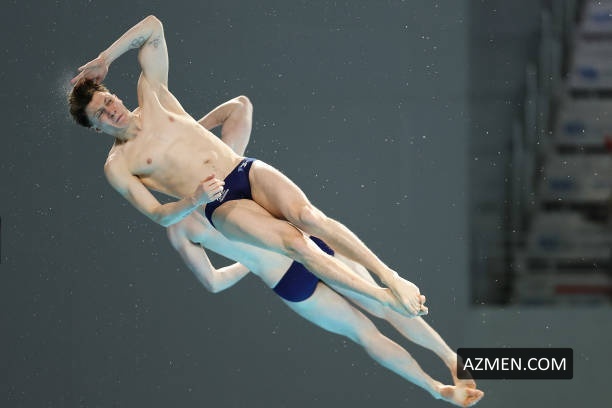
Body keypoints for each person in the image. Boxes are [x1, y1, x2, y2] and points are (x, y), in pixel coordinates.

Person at [68, 15, 424, 319]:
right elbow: (159, 215)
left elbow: (153, 26)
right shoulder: (118, 165)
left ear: (114, 95)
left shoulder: (152, 93)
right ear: (96, 128)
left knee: (309, 217)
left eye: (108, 100)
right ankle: (383, 298)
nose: (111, 110)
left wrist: (105, 57)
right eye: (101, 114)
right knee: (296, 245)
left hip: (242, 169)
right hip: (220, 205)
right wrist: (194, 199)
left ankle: (391, 278)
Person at [163, 98, 483, 406]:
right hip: (306, 250)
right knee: (383, 308)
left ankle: (437, 388)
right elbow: (240, 106)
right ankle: (448, 363)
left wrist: (249, 261)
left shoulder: (180, 223)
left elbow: (213, 282)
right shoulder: (215, 172)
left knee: (366, 332)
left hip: (286, 278)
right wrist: (194, 128)